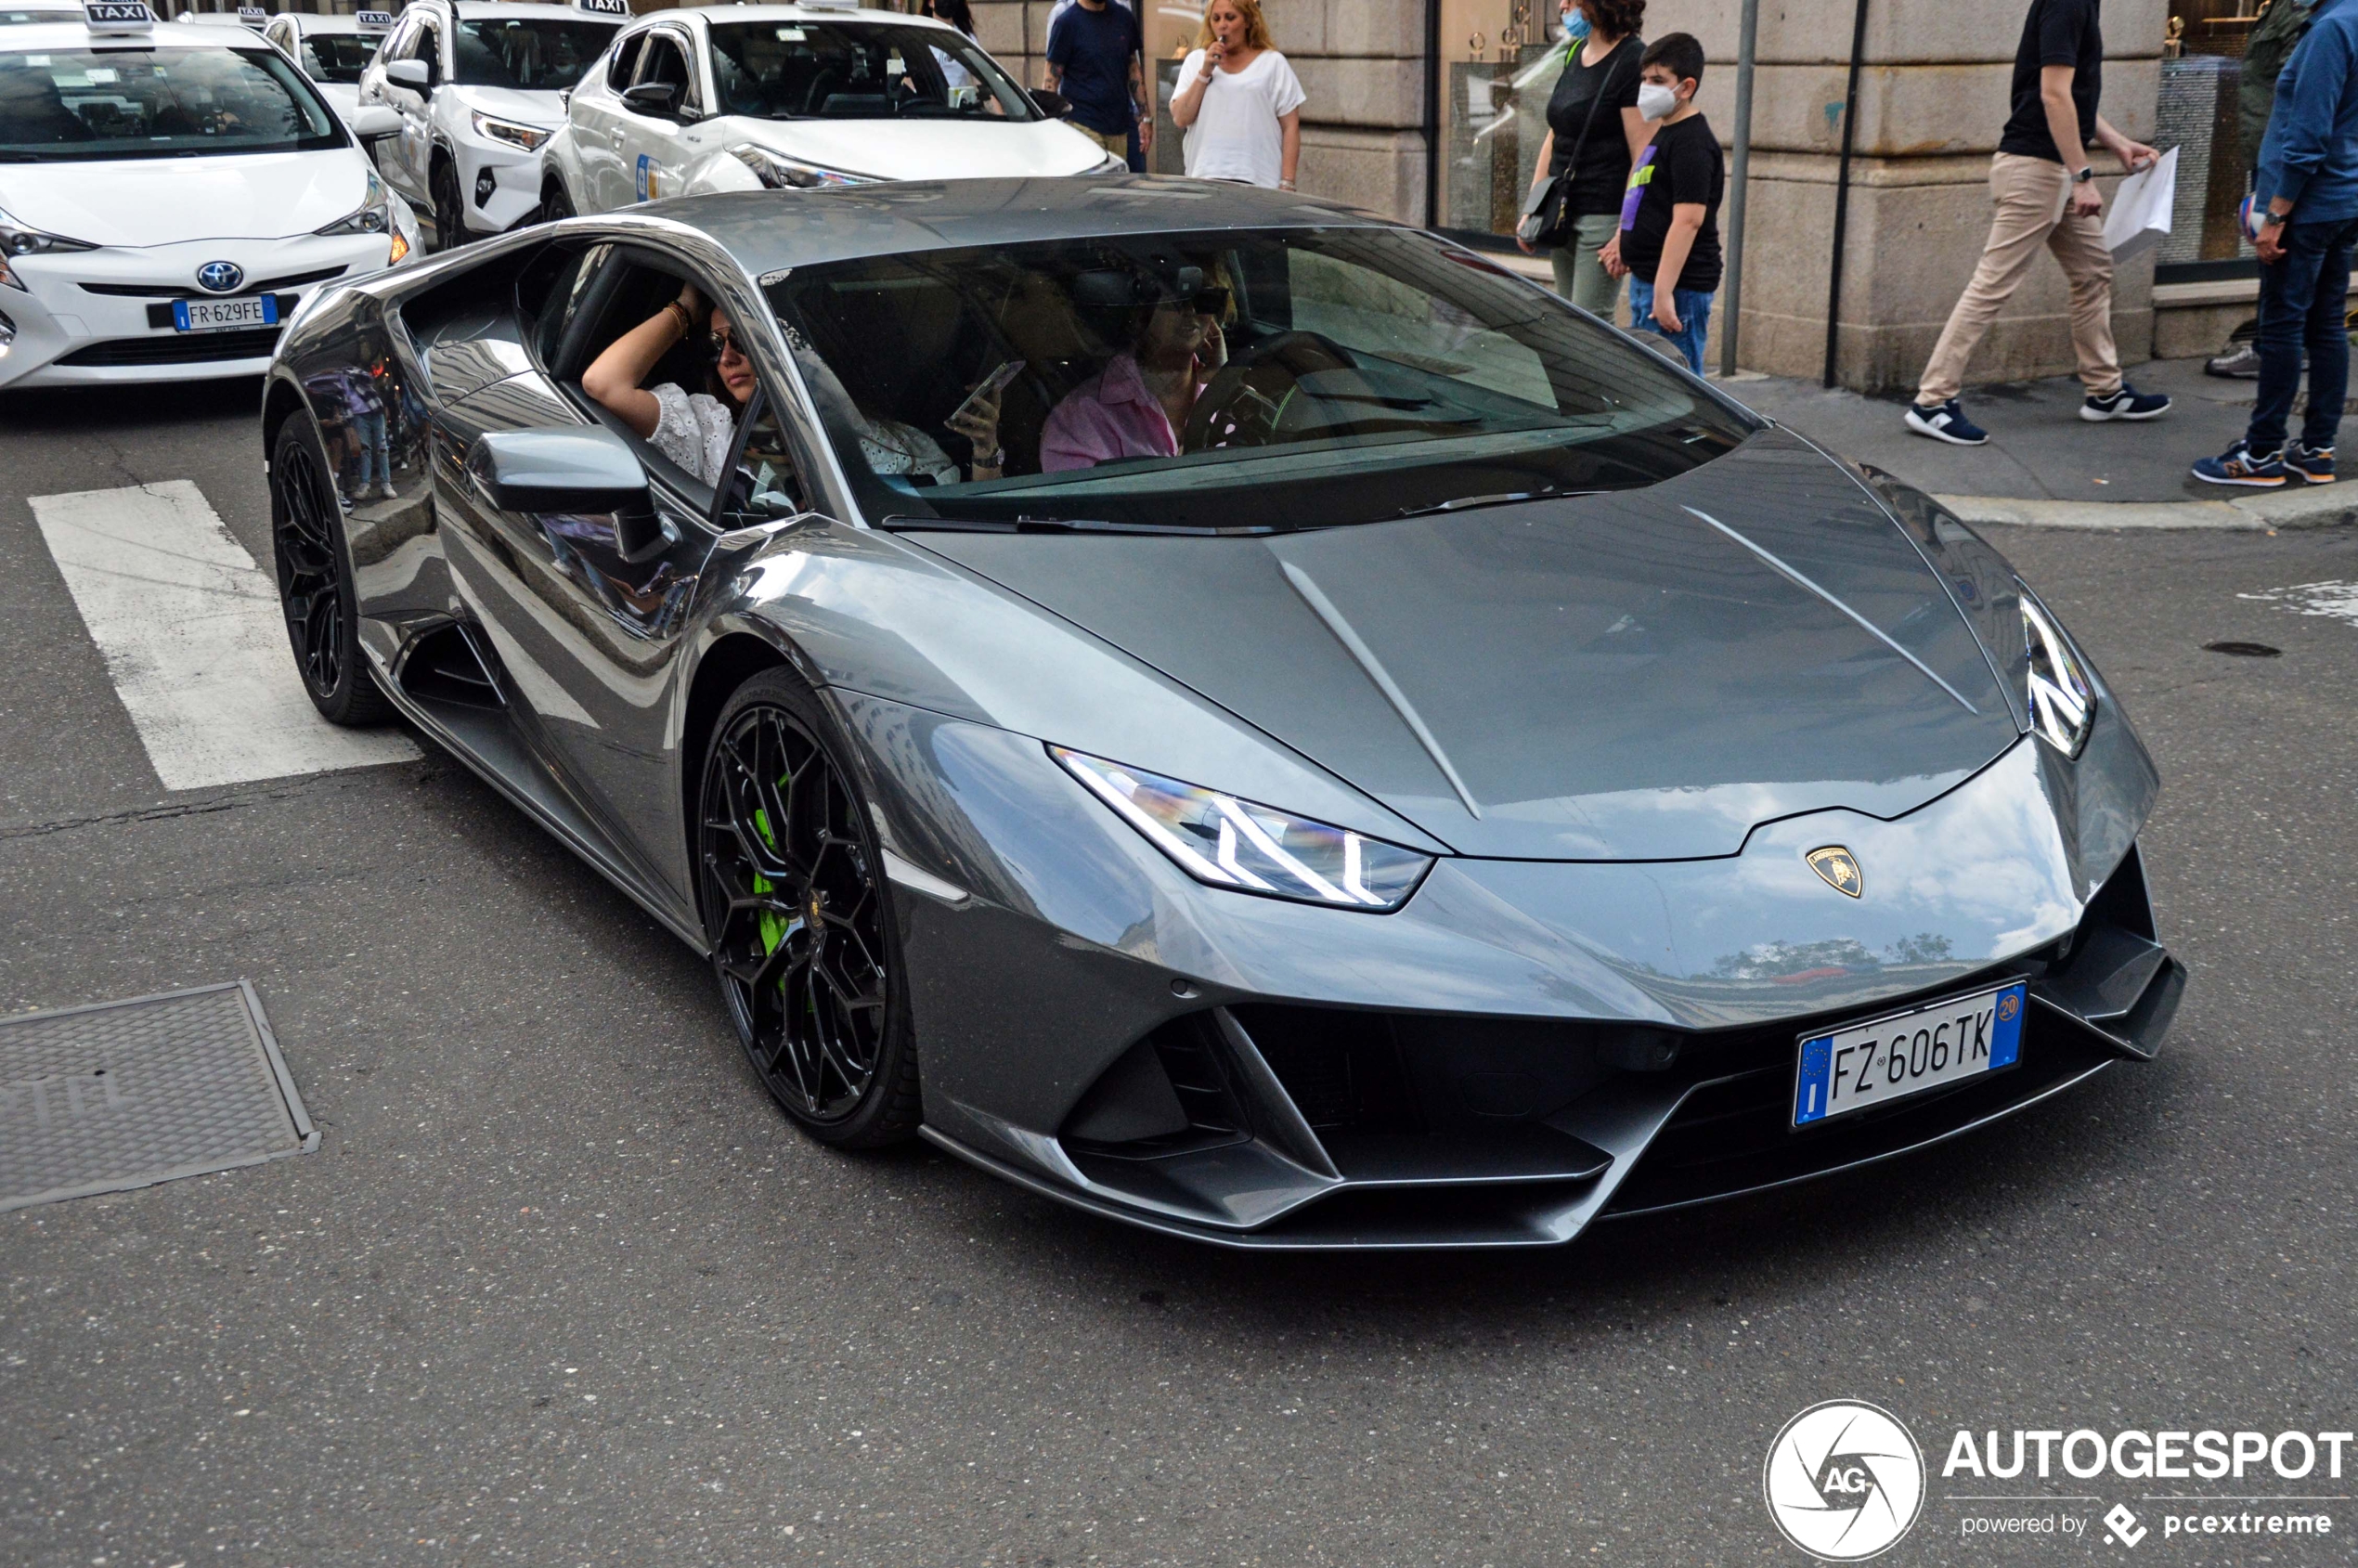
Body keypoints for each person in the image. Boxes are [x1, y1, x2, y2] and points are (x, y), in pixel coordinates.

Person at [1904, 0, 2167, 447]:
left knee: (2092, 272)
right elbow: (2052, 93)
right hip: (2036, 170)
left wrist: (2117, 142)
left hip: (2052, 167)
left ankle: (2105, 391)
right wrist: (2081, 175)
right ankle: (1932, 401)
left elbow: (2073, 93)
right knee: (1992, 284)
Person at [2194, 0, 2358, 487]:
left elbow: (2307, 133)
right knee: (2326, 323)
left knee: (2284, 327)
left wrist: (2276, 214)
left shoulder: (2332, 29)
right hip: (2343, 199)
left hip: (2307, 205)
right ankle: (2316, 451)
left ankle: (2262, 454)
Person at [1517, 0, 1649, 317]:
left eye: (1572, 0)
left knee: (1592, 328)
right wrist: (1534, 208)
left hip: (1602, 217)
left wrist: (1625, 231)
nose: (1563, 5)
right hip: (1562, 212)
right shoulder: (1576, 52)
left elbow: (1643, 154)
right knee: (1570, 327)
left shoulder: (1632, 60)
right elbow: (1555, 134)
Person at [2210, 0, 2320, 378]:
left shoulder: (2304, 13)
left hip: (2283, 157)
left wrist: (2281, 167)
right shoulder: (2281, 8)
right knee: (2277, 258)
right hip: (2271, 151)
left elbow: (2300, 90)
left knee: (2276, 255)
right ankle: (2281, 346)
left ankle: (2274, 351)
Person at [1603, 32, 1719, 374]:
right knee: (1653, 383)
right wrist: (1624, 242)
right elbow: (1642, 197)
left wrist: (1664, 292)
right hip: (1649, 280)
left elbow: (1688, 221)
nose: (1646, 88)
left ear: (1686, 87)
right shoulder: (1665, 131)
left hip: (1677, 289)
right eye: (1644, 79)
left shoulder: (1692, 142)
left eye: (1658, 81)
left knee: (1677, 386)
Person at [1041, 265, 1228, 470]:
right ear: (1142, 311)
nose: (1192, 310)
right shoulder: (1080, 417)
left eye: (1206, 298)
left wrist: (1227, 383)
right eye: (1178, 298)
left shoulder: (1233, 397)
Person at [583, 283, 760, 486]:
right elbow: (603, 383)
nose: (726, 358)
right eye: (715, 345)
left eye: (739, 339)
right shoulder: (710, 427)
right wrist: (685, 309)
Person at [1170, 0, 1302, 189]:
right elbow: (1181, 118)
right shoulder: (1196, 60)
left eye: (1230, 18)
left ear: (1248, 21)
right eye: (1216, 18)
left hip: (1259, 179)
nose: (1222, 25)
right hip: (1206, 176)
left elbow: (1291, 126)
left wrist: (1287, 181)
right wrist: (1204, 73)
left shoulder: (1273, 63)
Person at [1044, 0, 1152, 167]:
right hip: (1082, 124)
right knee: (1095, 185)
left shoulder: (1123, 18)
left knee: (1115, 188)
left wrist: (1145, 118)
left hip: (1118, 126)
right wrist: (1050, 126)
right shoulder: (1067, 22)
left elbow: (1133, 70)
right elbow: (1051, 80)